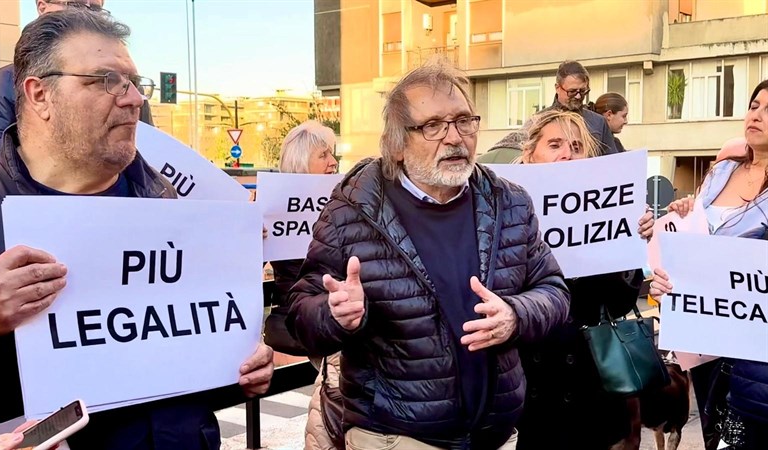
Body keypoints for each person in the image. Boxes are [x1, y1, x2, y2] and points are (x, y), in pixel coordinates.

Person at [0, 10, 273, 447]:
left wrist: (239, 365)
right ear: (39, 95)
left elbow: (178, 347)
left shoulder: (169, 204)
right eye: (106, 80)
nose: (133, 99)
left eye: (134, 82)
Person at [287, 58, 570, 450]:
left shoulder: (510, 202)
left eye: (464, 121)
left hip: (495, 434)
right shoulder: (352, 209)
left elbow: (553, 290)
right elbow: (300, 313)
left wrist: (515, 315)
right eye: (433, 126)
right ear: (398, 144)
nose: (454, 137)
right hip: (395, 435)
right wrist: (336, 316)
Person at [510, 109, 654, 450]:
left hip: (589, 382)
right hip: (528, 384)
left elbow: (619, 302)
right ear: (530, 155)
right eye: (555, 144)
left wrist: (631, 244)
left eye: (576, 146)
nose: (567, 154)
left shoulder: (606, 208)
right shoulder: (503, 210)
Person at [650, 79, 768, 450]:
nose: (757, 116)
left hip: (751, 345)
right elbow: (696, 235)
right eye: (754, 105)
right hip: (703, 332)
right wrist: (683, 214)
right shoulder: (720, 172)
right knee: (713, 434)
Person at [0, 0, 154, 172]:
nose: (88, 14)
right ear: (43, 7)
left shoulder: (132, 87)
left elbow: (151, 160)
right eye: (75, 4)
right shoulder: (6, 80)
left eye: (96, 9)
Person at [260, 121, 343, 450]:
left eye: (333, 154)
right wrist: (253, 238)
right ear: (299, 162)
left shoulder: (343, 202)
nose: (333, 162)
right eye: (324, 155)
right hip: (307, 317)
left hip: (337, 314)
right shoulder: (274, 208)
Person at [541, 60, 618, 155]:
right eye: (572, 91)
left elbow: (612, 162)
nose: (578, 96)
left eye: (582, 91)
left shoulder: (599, 123)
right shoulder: (539, 121)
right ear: (557, 88)